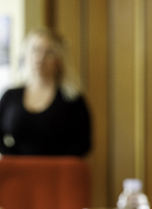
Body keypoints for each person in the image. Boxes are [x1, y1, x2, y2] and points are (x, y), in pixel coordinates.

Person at [0, 28, 91, 156]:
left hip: (59, 167)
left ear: (60, 59)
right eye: (35, 50)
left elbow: (83, 143)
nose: (41, 57)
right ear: (26, 54)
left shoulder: (72, 99)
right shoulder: (10, 96)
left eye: (49, 52)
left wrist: (54, 164)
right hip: (17, 166)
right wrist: (13, 158)